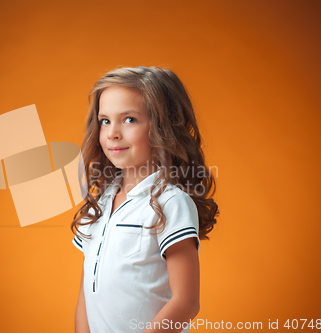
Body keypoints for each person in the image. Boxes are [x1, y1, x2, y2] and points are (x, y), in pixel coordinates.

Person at [71, 66, 219, 333]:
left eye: (129, 120)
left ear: (162, 128)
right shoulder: (101, 202)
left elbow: (186, 302)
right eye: (105, 120)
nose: (113, 133)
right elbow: (86, 293)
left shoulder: (170, 202)